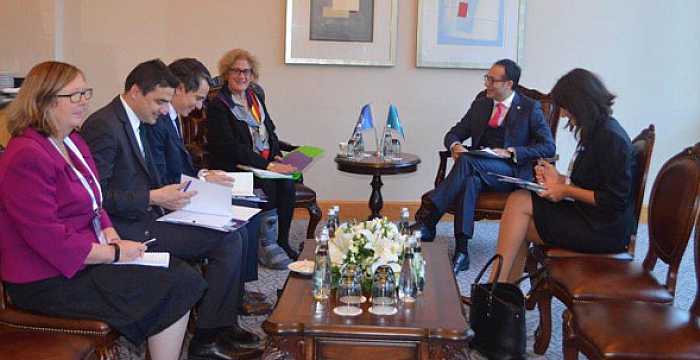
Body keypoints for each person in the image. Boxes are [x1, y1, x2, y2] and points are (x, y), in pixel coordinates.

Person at [0, 61, 205, 360]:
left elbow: (95, 203)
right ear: (44, 99)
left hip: (83, 258)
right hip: (45, 278)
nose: (85, 101)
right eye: (75, 95)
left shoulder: (73, 142)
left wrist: (110, 235)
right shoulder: (26, 155)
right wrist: (114, 254)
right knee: (176, 283)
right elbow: (49, 238)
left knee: (179, 273)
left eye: (86, 92)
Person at [80, 59, 261, 359]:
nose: (165, 110)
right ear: (136, 92)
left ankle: (220, 326)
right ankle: (206, 339)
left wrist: (167, 195)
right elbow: (95, 197)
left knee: (232, 230)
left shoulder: (137, 120)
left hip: (150, 214)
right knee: (227, 241)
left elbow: (159, 173)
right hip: (126, 226)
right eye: (160, 102)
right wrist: (153, 197)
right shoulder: (105, 126)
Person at [143, 57, 273, 314]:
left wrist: (203, 175)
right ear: (179, 89)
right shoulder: (158, 121)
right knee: (234, 230)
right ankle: (221, 315)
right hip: (167, 203)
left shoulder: (173, 117)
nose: (200, 106)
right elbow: (163, 177)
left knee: (249, 211)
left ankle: (236, 295)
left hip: (184, 189)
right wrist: (201, 180)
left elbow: (179, 166)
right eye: (198, 98)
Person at [491, 68, 634, 283]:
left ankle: (494, 292)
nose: (565, 114)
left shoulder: (611, 138)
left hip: (603, 229)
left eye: (566, 108)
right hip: (589, 216)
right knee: (518, 208)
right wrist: (559, 179)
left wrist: (565, 189)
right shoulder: (597, 131)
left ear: (580, 104)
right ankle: (500, 292)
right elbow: (593, 181)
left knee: (518, 212)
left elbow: (613, 200)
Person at [413, 59, 556, 274]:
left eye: (492, 80)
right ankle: (462, 251)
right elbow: (454, 132)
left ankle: (430, 216)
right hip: (479, 169)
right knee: (470, 178)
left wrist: (512, 152)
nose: (486, 83)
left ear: (508, 84)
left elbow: (548, 146)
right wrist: (456, 145)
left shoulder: (529, 108)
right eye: (486, 78)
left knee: (468, 162)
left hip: (511, 172)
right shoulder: (481, 104)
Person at [206, 48, 299, 260]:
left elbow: (270, 129)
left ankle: (281, 241)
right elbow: (230, 147)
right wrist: (266, 166)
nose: (242, 76)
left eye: (247, 71)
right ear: (226, 74)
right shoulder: (219, 105)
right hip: (235, 164)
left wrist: (275, 155)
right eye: (236, 71)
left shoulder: (255, 98)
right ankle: (265, 244)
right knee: (268, 183)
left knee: (287, 183)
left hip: (263, 161)